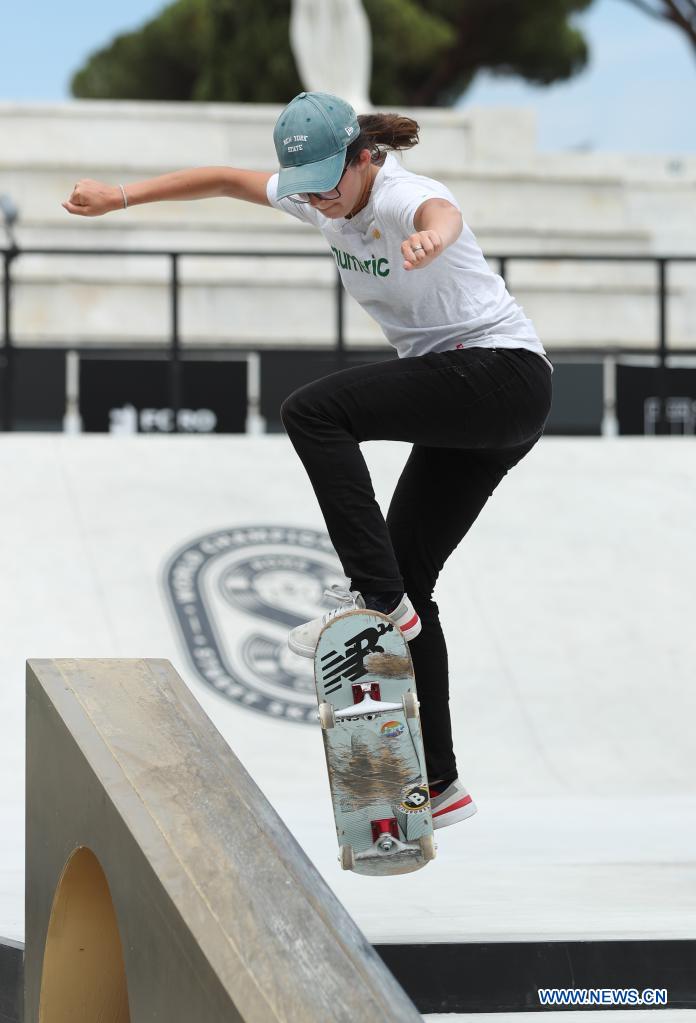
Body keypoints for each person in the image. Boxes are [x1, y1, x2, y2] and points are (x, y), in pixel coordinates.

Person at [63, 90, 553, 831]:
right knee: (412, 577)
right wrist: (120, 196)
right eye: (309, 188)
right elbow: (227, 178)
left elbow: (439, 214)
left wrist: (433, 240)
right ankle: (442, 779)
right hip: (476, 401)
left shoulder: (400, 194)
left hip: (499, 374)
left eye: (332, 182)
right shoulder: (317, 199)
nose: (323, 201)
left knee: (314, 411)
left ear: (363, 158)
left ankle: (373, 600)